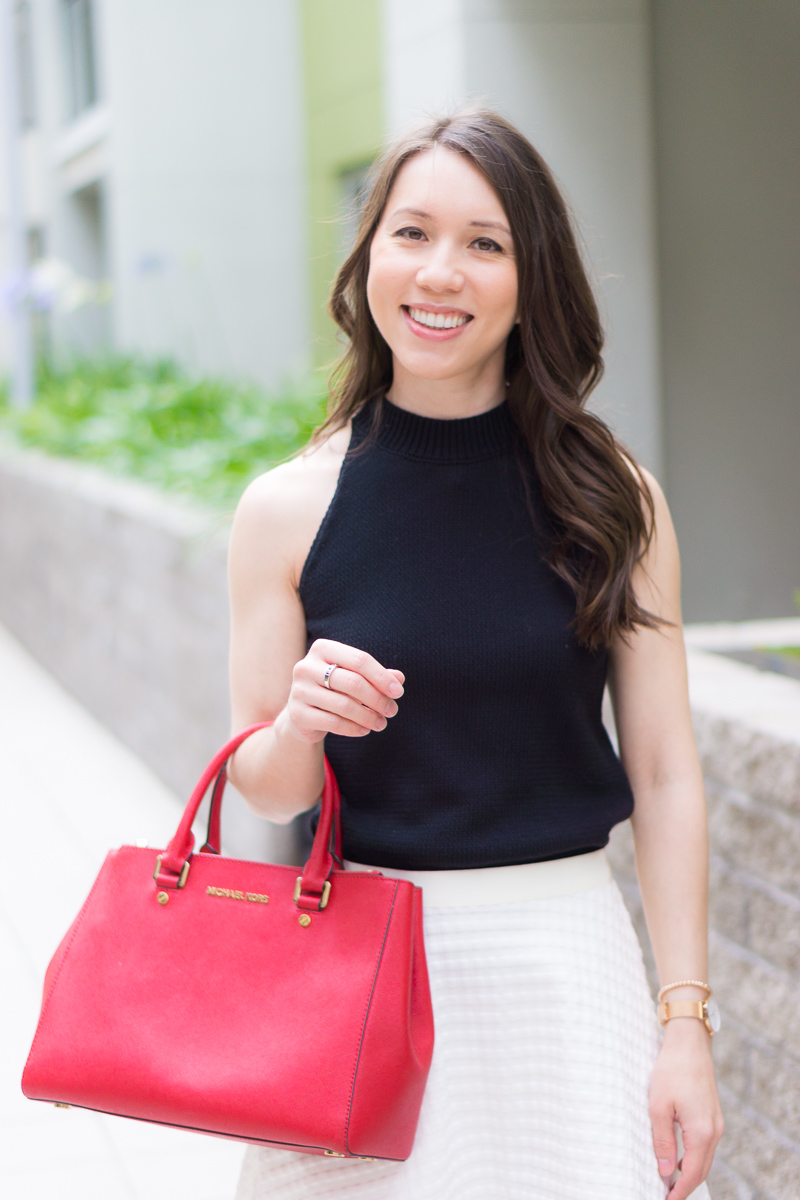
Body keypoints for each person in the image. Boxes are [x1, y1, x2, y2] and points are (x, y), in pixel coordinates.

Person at [226, 108, 723, 1200]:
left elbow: (663, 772)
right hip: (355, 969)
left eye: (484, 243)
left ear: (527, 274)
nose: (439, 273)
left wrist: (682, 1022)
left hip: (561, 959)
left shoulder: (611, 499)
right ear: (367, 261)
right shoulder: (286, 509)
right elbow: (261, 781)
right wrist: (302, 720)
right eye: (410, 234)